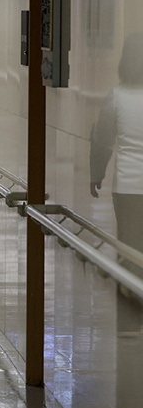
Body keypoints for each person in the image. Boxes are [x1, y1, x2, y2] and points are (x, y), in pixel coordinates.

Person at [90, 32, 143, 260]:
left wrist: (96, 174)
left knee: (130, 250)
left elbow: (103, 140)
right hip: (128, 189)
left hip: (127, 188)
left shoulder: (116, 96)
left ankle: (130, 292)